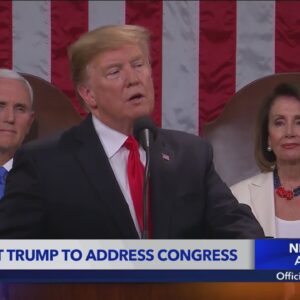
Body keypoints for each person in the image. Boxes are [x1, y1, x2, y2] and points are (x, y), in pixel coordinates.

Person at [0, 25, 264, 239]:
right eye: (115, 72)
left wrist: (278, 264)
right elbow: (9, 256)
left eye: (139, 65)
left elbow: (239, 231)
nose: (134, 79)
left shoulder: (191, 155)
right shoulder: (44, 162)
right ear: (88, 94)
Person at [231, 83, 300, 238]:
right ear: (268, 138)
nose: (289, 132)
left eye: (299, 122)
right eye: (279, 122)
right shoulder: (239, 197)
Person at [0, 69, 34, 198]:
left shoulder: (50, 181)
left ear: (29, 122)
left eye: (20, 109)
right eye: (0, 106)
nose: (10, 118)